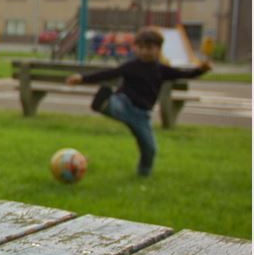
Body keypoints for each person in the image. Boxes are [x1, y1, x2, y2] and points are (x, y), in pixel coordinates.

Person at [65, 26, 211, 176]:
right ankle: (103, 104)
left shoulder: (162, 70)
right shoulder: (131, 67)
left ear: (159, 49)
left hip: (142, 115)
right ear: (135, 48)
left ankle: (143, 173)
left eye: (149, 48)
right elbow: (109, 73)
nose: (144, 51)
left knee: (150, 149)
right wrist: (82, 78)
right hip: (125, 103)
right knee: (116, 105)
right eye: (140, 47)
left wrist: (201, 70)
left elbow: (184, 74)